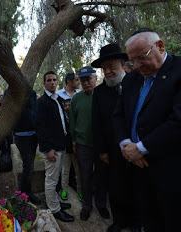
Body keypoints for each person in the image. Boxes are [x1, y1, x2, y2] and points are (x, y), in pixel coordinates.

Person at [113, 28, 181, 232]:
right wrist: (126, 145)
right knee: (148, 220)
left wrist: (141, 148)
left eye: (142, 57)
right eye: (132, 61)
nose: (137, 66)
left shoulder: (178, 70)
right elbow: (118, 116)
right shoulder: (131, 79)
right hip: (138, 168)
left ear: (160, 46)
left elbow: (178, 121)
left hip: (171, 170)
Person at [91, 44, 141, 232]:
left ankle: (137, 222)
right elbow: (96, 123)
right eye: (104, 68)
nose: (108, 71)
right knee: (116, 186)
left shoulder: (137, 83)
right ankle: (119, 221)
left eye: (111, 66)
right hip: (112, 149)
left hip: (138, 147)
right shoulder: (99, 92)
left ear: (122, 63)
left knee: (136, 186)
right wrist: (101, 150)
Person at [69, 66, 109, 221]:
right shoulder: (76, 99)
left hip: (101, 145)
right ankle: (87, 206)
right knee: (85, 177)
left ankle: (101, 204)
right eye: (82, 80)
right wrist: (74, 140)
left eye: (88, 79)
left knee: (101, 176)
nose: (86, 83)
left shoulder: (102, 95)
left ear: (95, 78)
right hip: (83, 145)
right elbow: (72, 122)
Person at [35, 71, 74, 222]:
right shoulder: (42, 102)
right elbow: (40, 128)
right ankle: (55, 209)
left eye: (54, 80)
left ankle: (56, 202)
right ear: (44, 83)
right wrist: (47, 149)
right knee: (51, 180)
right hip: (52, 149)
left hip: (61, 146)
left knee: (56, 178)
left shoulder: (56, 99)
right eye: (49, 80)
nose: (52, 82)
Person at [56, 72, 82, 201]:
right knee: (65, 169)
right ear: (69, 81)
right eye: (76, 80)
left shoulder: (79, 95)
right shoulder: (58, 95)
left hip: (77, 139)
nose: (79, 82)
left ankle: (80, 190)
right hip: (64, 140)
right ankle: (64, 189)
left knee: (78, 169)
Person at [13, 90, 41, 205]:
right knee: (27, 165)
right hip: (21, 134)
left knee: (30, 165)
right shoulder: (11, 91)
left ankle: (25, 192)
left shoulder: (32, 93)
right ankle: (23, 194)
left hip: (33, 134)